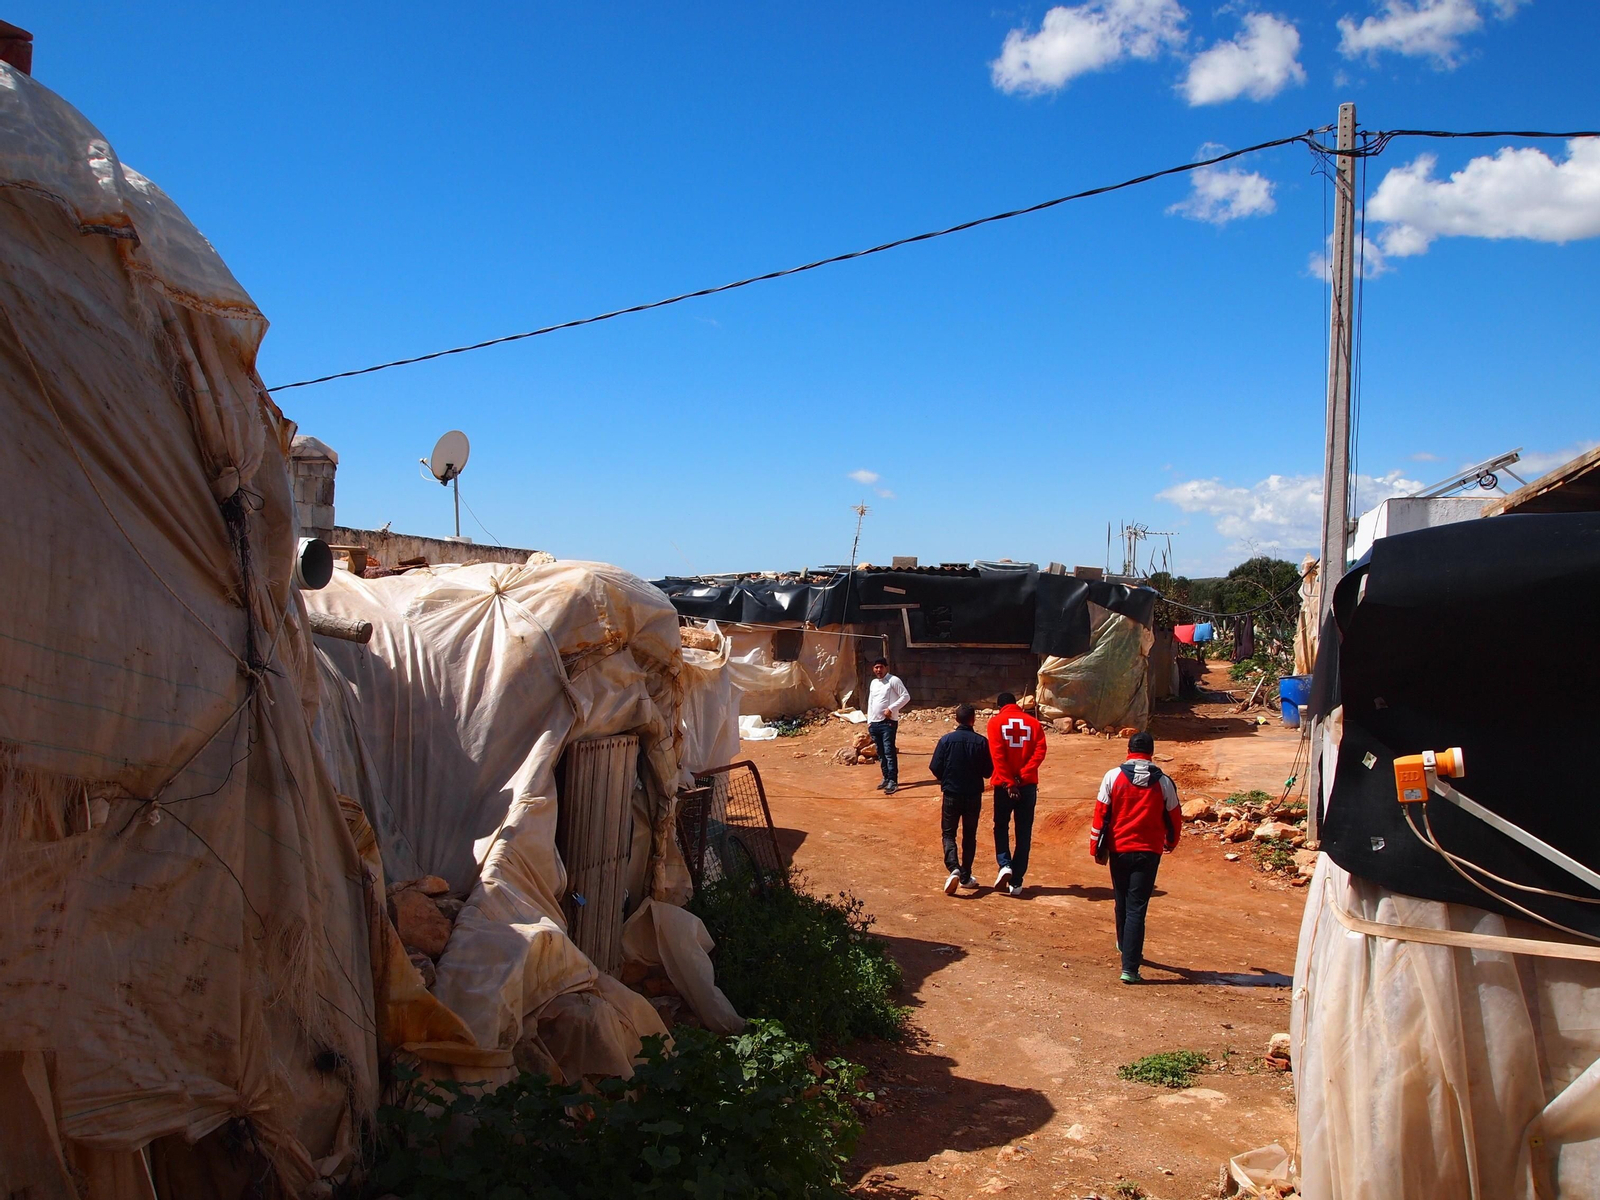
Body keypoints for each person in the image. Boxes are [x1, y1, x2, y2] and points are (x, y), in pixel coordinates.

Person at [1089, 731, 1181, 984]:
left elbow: (1101, 814)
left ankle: (1124, 943)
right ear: (1151, 752)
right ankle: (1130, 967)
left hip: (1119, 849)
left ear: (1129, 750)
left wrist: (1096, 847)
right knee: (1137, 908)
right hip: (1149, 852)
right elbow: (1174, 817)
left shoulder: (1112, 776)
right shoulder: (1164, 782)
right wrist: (1171, 842)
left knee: (1121, 900)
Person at [929, 703, 993, 895]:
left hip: (951, 793)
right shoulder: (981, 742)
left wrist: (946, 778)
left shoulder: (946, 740)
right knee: (970, 835)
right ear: (973, 719)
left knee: (949, 833)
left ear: (956, 719)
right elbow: (988, 771)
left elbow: (935, 766)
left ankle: (953, 867)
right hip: (973, 795)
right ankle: (965, 875)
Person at [987, 691, 1046, 896]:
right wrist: (1022, 777)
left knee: (1001, 826)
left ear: (999, 706)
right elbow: (1040, 752)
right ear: (1016, 704)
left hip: (1003, 786)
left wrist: (1009, 782)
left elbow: (997, 755)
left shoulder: (995, 723)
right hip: (1027, 785)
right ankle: (1017, 880)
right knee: (1024, 831)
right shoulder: (1034, 723)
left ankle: (1005, 864)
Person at [865, 657, 910, 794]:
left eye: (881, 667)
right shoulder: (873, 683)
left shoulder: (893, 680)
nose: (878, 670)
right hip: (875, 723)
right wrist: (869, 721)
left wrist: (891, 708)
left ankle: (893, 781)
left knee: (889, 752)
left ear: (886, 668)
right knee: (880, 752)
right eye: (876, 667)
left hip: (888, 723)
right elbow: (870, 702)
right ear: (873, 669)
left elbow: (905, 696)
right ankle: (885, 778)